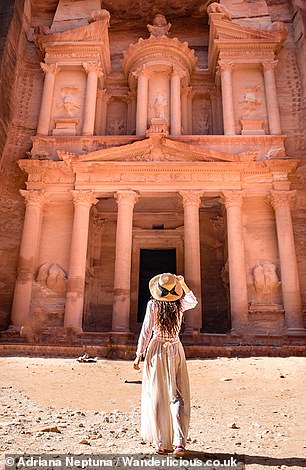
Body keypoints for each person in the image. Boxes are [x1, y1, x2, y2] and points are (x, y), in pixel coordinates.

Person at [133, 273, 198, 455]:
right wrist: (183, 283)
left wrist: (139, 353)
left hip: (157, 350)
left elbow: (146, 330)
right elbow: (192, 300)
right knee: (177, 395)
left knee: (157, 395)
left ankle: (161, 443)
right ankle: (179, 443)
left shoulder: (153, 305)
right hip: (176, 349)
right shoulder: (179, 305)